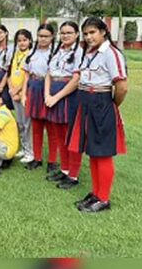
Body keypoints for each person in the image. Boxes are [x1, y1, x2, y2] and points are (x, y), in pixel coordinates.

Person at [66, 17, 128, 213]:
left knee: (103, 153)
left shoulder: (111, 53)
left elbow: (122, 87)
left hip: (101, 103)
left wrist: (111, 106)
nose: (89, 37)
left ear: (103, 32)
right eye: (85, 33)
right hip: (86, 104)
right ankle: (96, 193)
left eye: (92, 32)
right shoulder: (88, 52)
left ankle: (104, 198)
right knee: (93, 151)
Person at [44, 21, 83, 188]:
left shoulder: (80, 52)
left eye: (69, 32)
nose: (65, 36)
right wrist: (47, 94)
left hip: (69, 96)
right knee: (59, 134)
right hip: (53, 94)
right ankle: (65, 169)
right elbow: (49, 74)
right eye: (63, 33)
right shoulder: (57, 51)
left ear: (76, 35)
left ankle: (73, 175)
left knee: (71, 136)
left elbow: (76, 79)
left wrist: (56, 97)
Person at [23, 24, 55, 170]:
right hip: (34, 88)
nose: (42, 39)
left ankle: (52, 161)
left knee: (51, 127)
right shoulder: (32, 54)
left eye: (46, 36)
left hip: (49, 89)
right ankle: (37, 158)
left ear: (52, 37)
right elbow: (26, 75)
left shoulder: (55, 53)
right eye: (40, 36)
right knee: (36, 126)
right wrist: (24, 94)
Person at [9, 29, 35, 162]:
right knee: (20, 123)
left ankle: (30, 152)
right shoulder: (16, 54)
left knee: (27, 123)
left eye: (25, 40)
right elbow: (10, 73)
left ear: (30, 40)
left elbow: (28, 77)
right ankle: (24, 148)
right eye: (19, 40)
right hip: (14, 94)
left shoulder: (31, 55)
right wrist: (12, 90)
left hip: (25, 93)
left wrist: (19, 91)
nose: (22, 43)